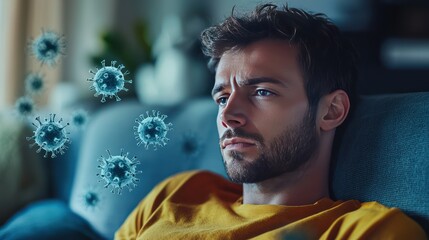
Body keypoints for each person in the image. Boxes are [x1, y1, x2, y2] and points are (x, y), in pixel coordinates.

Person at [115, 3, 427, 239]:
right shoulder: (178, 192)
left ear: (331, 111)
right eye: (222, 97)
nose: (227, 114)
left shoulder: (364, 231)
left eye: (262, 91)